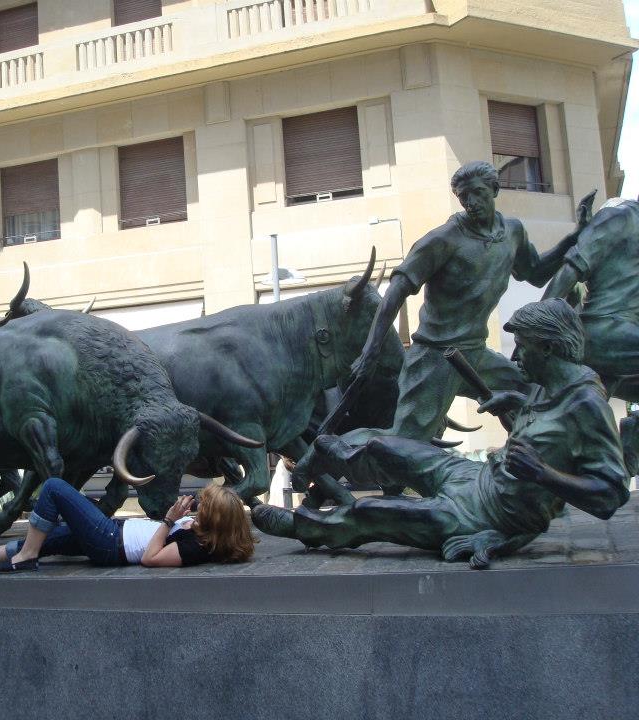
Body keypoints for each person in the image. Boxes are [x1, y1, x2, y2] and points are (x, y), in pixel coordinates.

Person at [252, 299, 630, 569]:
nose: (515, 358)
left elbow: (609, 496)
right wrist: (514, 404)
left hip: (491, 514)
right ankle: (335, 456)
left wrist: (543, 475)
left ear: (549, 348)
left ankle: (304, 526)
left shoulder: (586, 404)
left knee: (369, 511)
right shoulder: (548, 386)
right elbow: (545, 437)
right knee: (383, 446)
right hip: (477, 477)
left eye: (524, 348)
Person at [341, 162, 595, 444]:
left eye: (477, 193)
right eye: (464, 198)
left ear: (495, 190)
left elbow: (535, 273)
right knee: (406, 444)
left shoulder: (512, 233)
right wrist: (370, 351)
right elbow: (396, 290)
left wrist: (575, 235)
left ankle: (533, 458)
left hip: (475, 353)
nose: (471, 203)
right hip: (434, 356)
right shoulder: (443, 240)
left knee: (537, 388)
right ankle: (334, 451)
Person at [0, 477, 255, 572]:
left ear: (216, 520)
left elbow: (151, 558)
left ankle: (27, 557)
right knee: (49, 537)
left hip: (110, 541)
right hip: (113, 533)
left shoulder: (196, 547)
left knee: (54, 488)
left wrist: (169, 520)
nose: (199, 506)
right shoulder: (199, 530)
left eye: (205, 506)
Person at [541, 198, 639, 399]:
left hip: (625, 334)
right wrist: (535, 327)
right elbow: (570, 270)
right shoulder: (619, 216)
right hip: (602, 330)